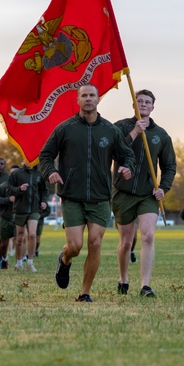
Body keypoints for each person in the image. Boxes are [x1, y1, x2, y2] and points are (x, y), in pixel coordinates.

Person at [38, 84, 134, 302]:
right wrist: (50, 172)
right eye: (84, 96)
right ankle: (64, 259)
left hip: (100, 197)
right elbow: (45, 155)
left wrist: (128, 166)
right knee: (75, 246)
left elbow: (127, 155)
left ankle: (85, 292)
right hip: (72, 195)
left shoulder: (110, 131)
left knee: (95, 243)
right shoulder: (65, 128)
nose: (88, 99)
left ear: (98, 99)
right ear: (77, 100)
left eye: (92, 95)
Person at [112, 89, 177, 297]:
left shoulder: (161, 135)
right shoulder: (121, 127)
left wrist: (163, 188)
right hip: (123, 192)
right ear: (134, 105)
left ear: (152, 107)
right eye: (139, 101)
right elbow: (113, 151)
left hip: (148, 194)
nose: (143, 104)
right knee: (126, 241)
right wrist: (134, 133)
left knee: (148, 236)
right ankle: (123, 279)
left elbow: (169, 167)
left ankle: (145, 285)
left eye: (147, 102)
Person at [8, 163, 47, 272]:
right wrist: (19, 189)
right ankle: (19, 263)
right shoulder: (17, 174)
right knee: (20, 238)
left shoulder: (39, 174)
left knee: (32, 235)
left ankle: (30, 262)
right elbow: (9, 189)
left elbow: (43, 191)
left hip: (34, 209)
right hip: (20, 209)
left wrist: (43, 201)